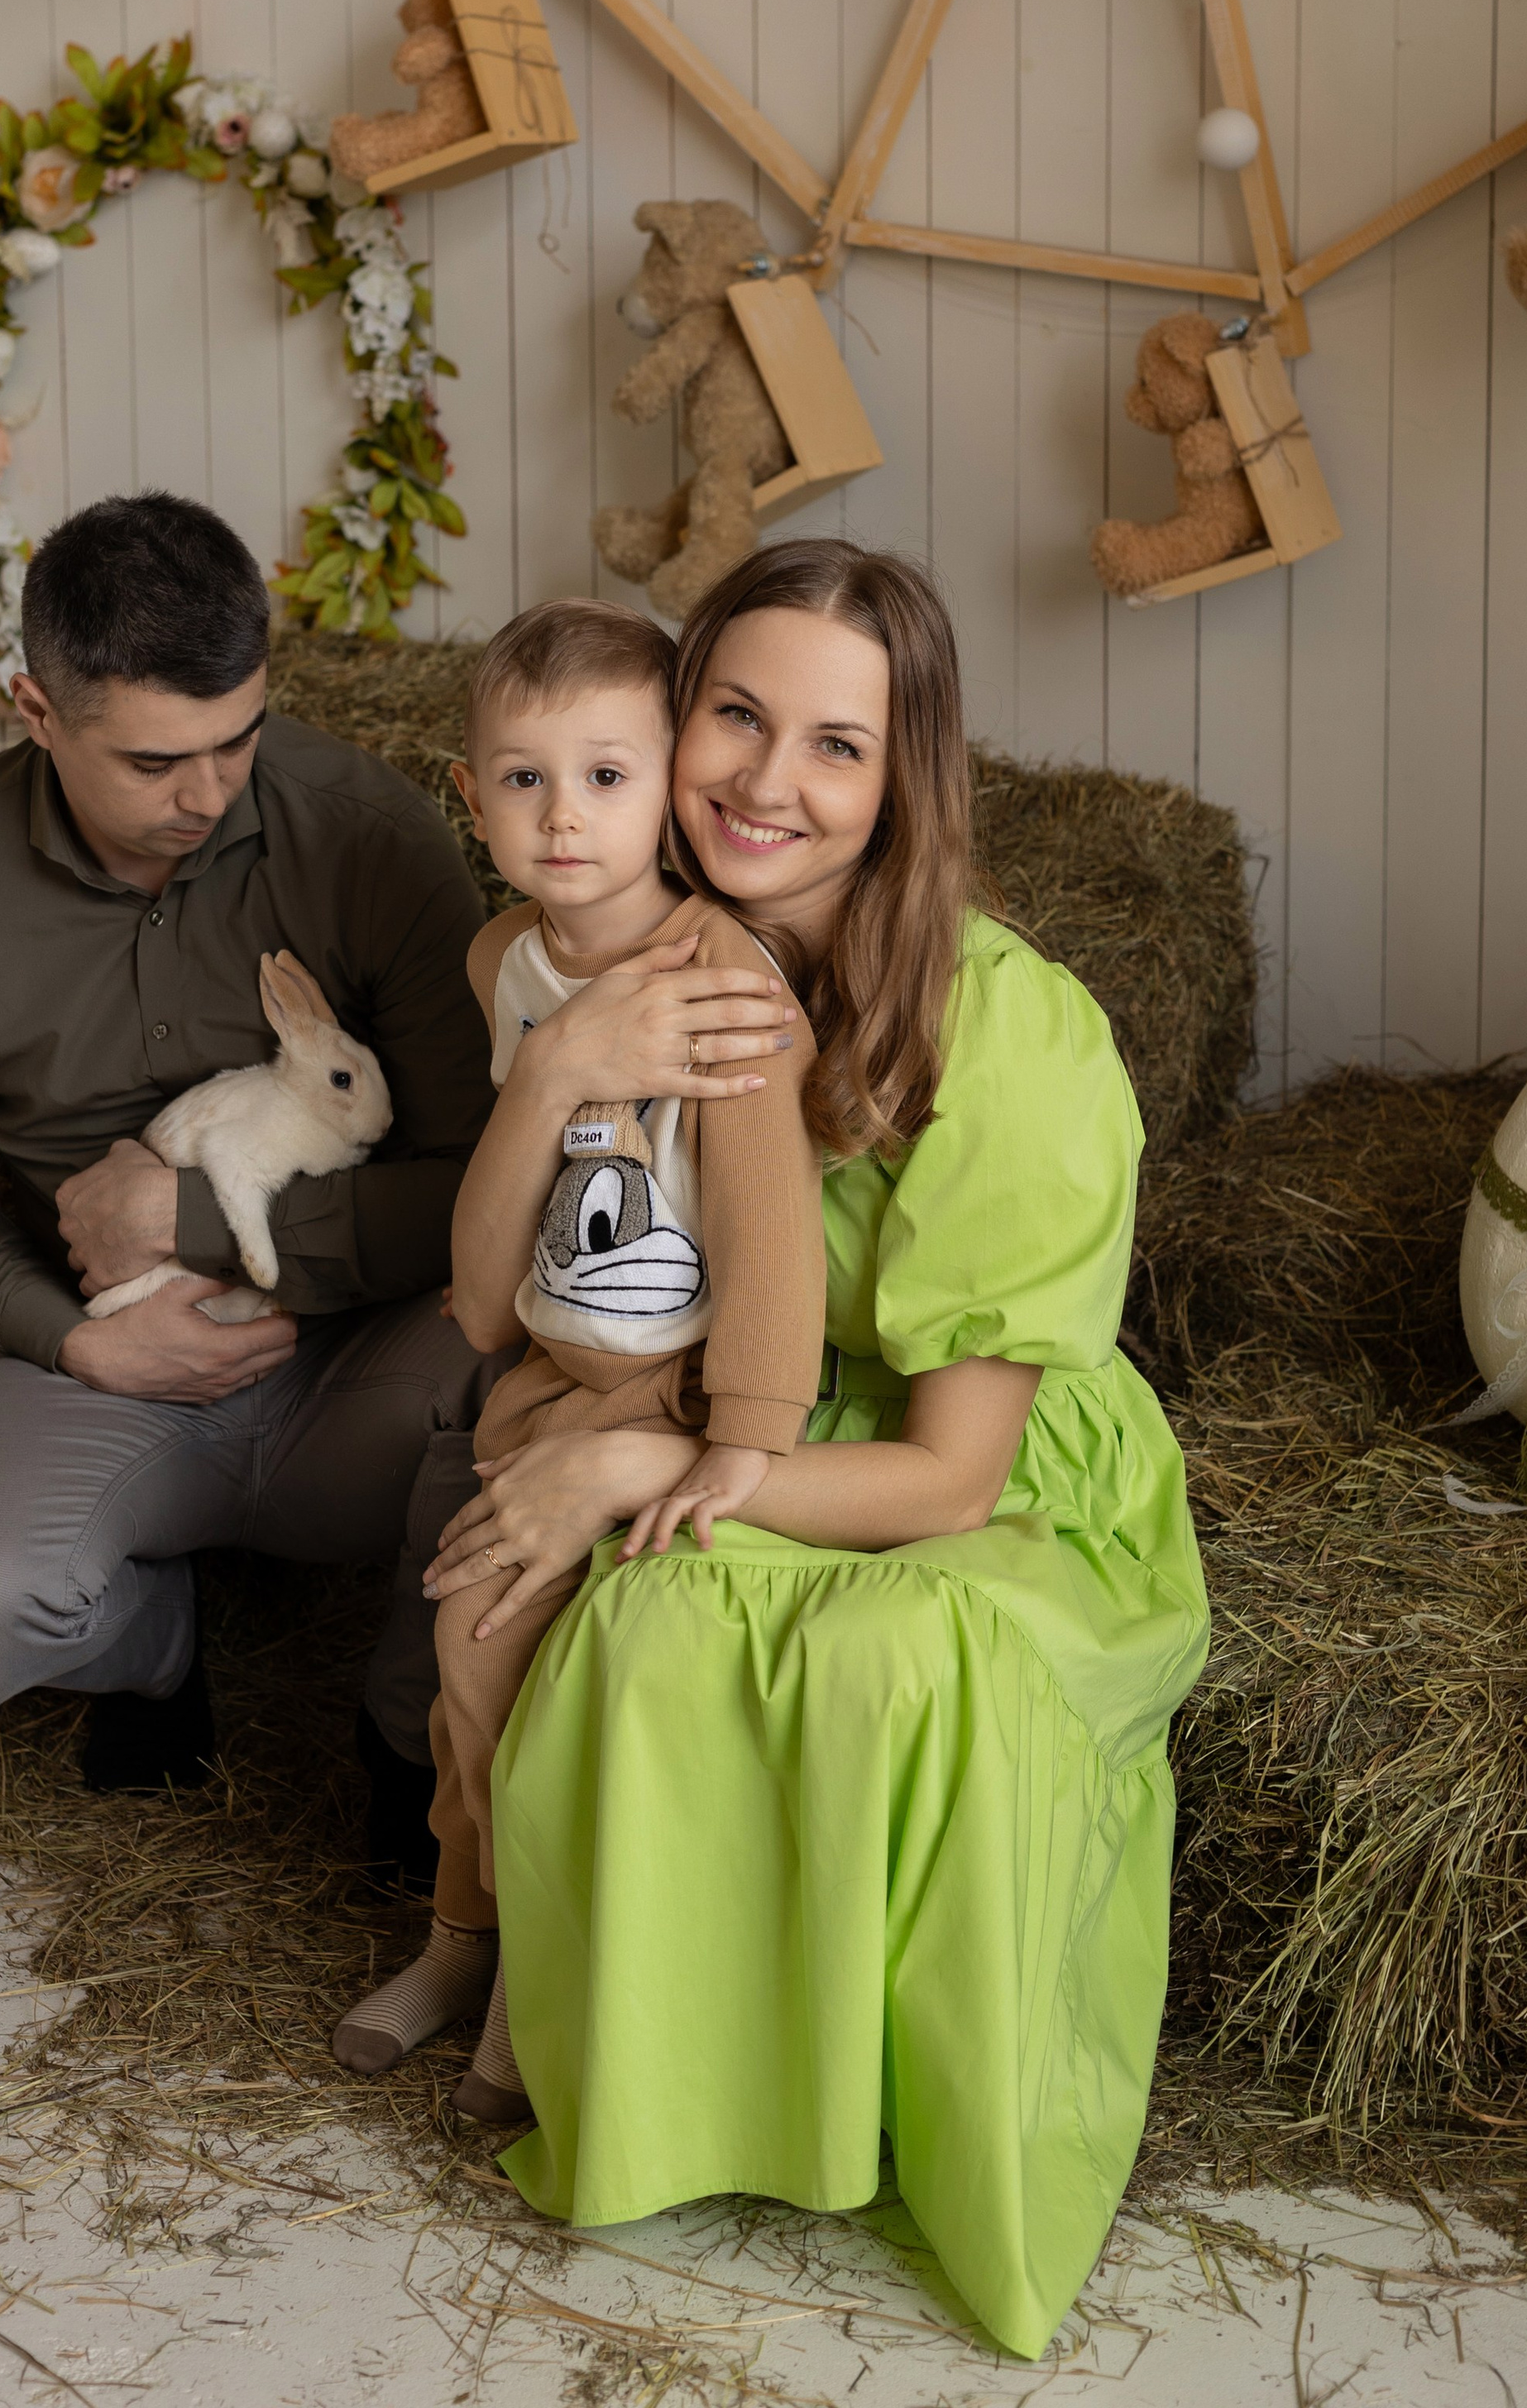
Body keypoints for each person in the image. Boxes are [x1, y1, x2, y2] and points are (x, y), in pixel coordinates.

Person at [420, 540, 1212, 2362]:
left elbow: (948, 1473)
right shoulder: (617, 962)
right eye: (735, 716)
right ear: (669, 718)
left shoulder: (1005, 1022)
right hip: (733, 1416)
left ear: (902, 777)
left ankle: (886, 2123)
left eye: (836, 746)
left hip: (987, 1472)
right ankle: (652, 2090)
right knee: (644, 1621)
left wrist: (643, 1467)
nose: (769, 782)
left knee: (877, 1650)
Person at [0, 491, 498, 1860]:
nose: (210, 793)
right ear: (33, 709)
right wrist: (76, 1339)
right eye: (155, 762)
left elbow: (478, 1187)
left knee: (544, 1388)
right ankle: (156, 1649)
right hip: (101, 1365)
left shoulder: (371, 836)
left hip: (364, 1362)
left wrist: (193, 1215)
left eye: (238, 738)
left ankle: (407, 1740)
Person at [329, 600, 826, 2120]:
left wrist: (743, 1436)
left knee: (533, 1667)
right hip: (547, 1371)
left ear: (672, 778)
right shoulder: (507, 965)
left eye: (609, 777)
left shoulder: (716, 972)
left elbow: (766, 1223)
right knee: (465, 1664)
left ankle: (535, 1983)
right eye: (526, 780)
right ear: (468, 795)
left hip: (672, 1386)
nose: (566, 818)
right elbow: (493, 1275)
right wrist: (549, 1073)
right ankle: (461, 1938)